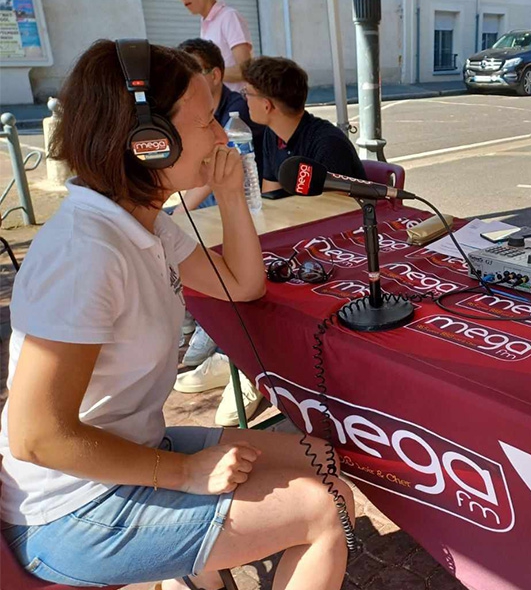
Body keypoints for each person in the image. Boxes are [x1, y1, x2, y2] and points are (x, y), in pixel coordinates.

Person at [0, 40, 354, 590]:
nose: (221, 135)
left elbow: (240, 284)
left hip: (134, 453)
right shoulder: (85, 254)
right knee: (323, 510)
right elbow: (35, 436)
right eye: (207, 121)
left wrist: (232, 195)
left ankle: (196, 573)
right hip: (68, 510)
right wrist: (185, 473)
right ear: (148, 143)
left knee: (325, 462)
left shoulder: (144, 225)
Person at [240, 57, 367, 192]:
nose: (245, 99)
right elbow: (272, 197)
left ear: (267, 106)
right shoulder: (273, 135)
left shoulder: (328, 145)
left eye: (247, 93)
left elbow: (337, 208)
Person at [177, 38, 266, 210]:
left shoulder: (237, 112)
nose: (184, 82)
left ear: (215, 75)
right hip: (210, 197)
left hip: (240, 200)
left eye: (193, 73)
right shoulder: (196, 111)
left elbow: (217, 165)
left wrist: (180, 211)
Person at [174, 0, 252, 91]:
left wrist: (206, 74)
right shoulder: (205, 22)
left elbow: (246, 71)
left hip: (236, 102)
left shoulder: (229, 17)